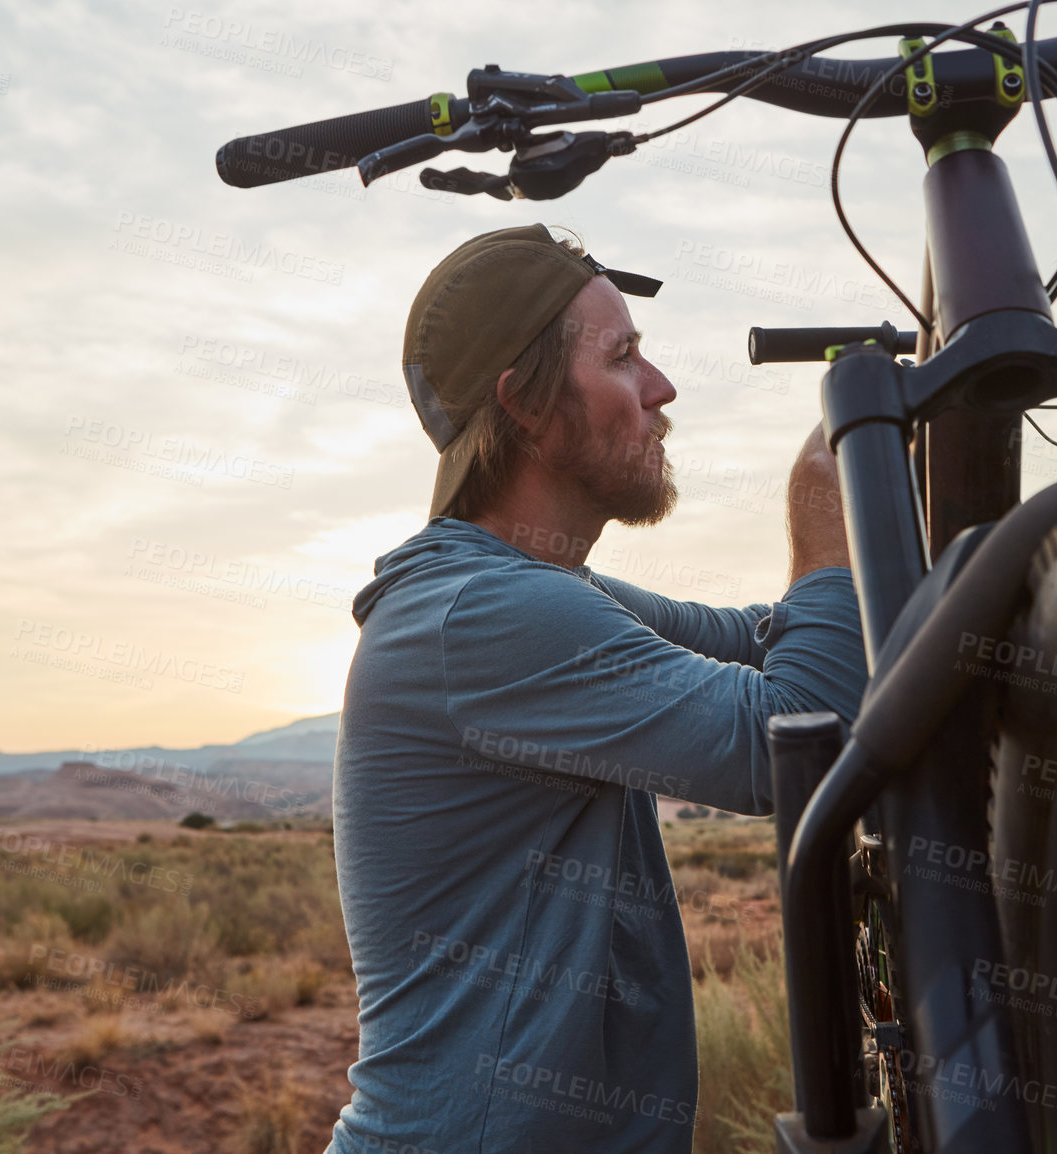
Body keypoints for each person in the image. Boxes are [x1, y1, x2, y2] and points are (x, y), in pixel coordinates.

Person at [324, 223, 868, 1154]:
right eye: (624, 357)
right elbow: (796, 742)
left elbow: (755, 639)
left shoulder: (538, 593)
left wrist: (862, 552)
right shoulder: (483, 614)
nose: (661, 391)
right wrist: (825, 504)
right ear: (528, 407)